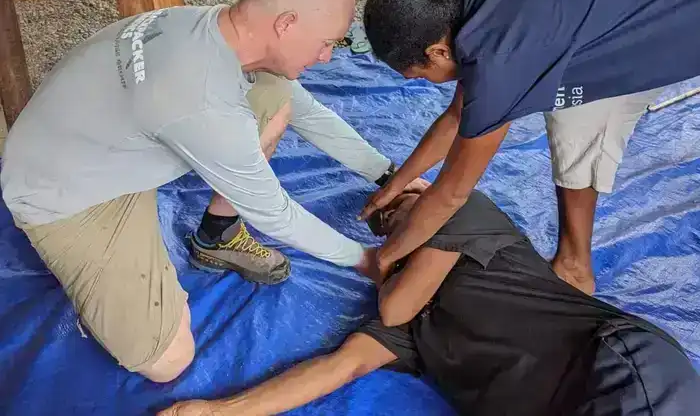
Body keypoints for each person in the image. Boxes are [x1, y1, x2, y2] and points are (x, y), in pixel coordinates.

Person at [0, 0, 427, 383]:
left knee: (274, 99)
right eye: (327, 43)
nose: (327, 59)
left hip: (98, 143)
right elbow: (275, 214)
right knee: (169, 360)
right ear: (287, 24)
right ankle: (107, 296)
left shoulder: (216, 28)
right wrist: (364, 259)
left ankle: (218, 235)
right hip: (67, 195)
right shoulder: (201, 97)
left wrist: (387, 174)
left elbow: (307, 111)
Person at [361, 0, 700, 295]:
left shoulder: (500, 54)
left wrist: (381, 259)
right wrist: (394, 185)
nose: (425, 82)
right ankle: (574, 261)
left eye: (416, 74)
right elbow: (458, 116)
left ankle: (574, 266)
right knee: (571, 104)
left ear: (436, 51)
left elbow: (452, 191)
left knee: (573, 112)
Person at [158, 190, 700, 416]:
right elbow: (338, 368)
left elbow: (395, 305)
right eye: (386, 222)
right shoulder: (412, 326)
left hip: (617, 370)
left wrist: (382, 258)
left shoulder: (465, 211)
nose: (396, 218)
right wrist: (220, 410)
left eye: (405, 204)